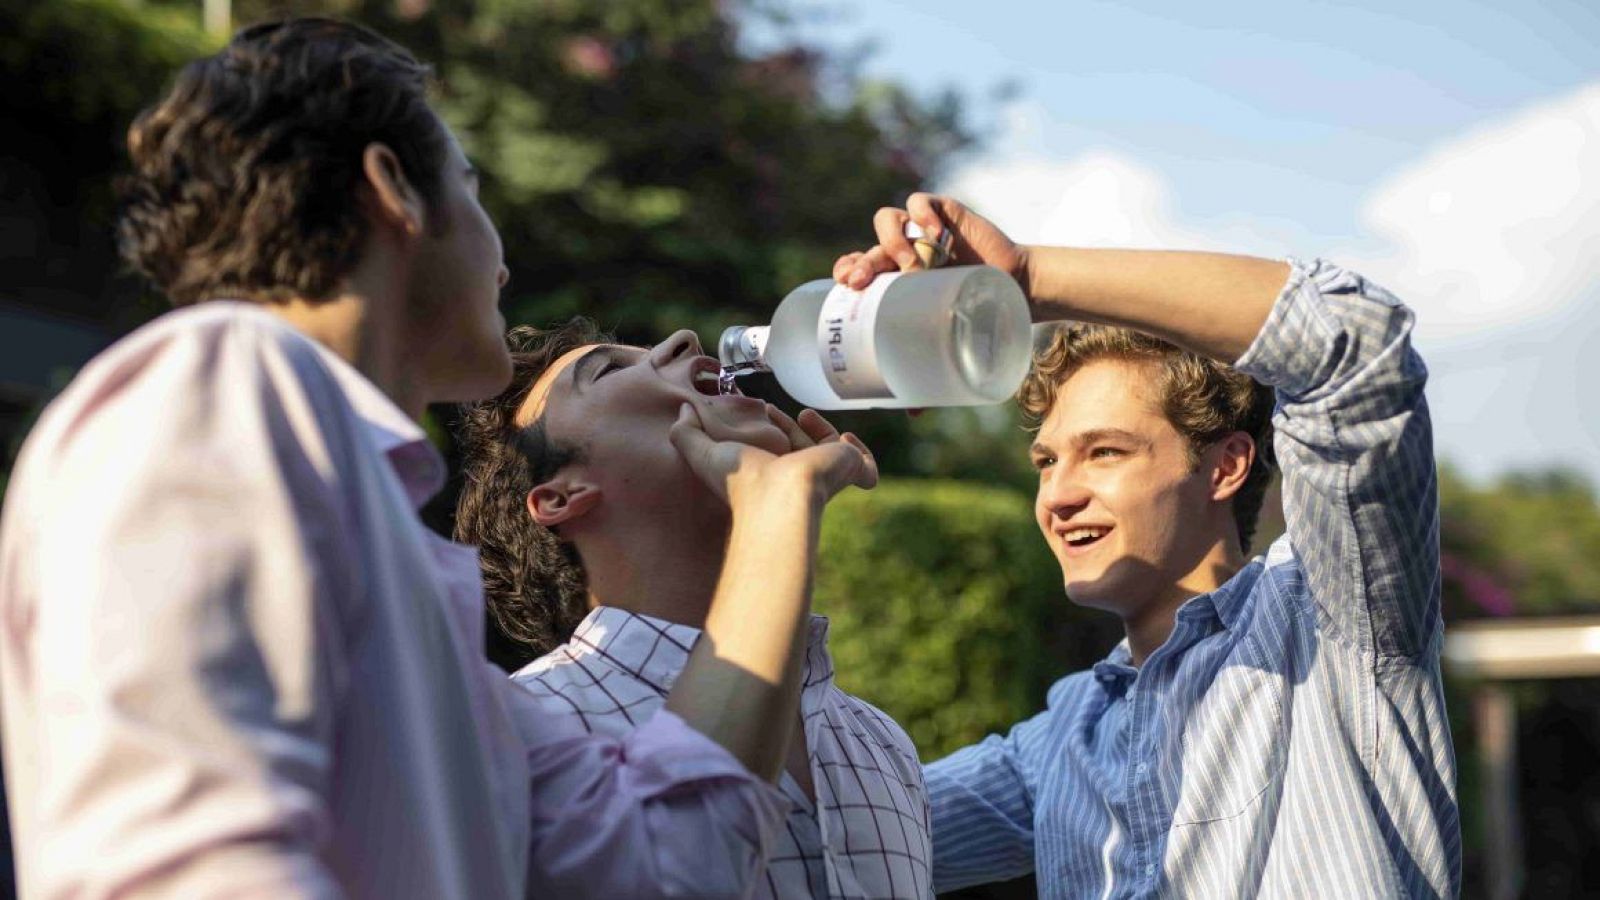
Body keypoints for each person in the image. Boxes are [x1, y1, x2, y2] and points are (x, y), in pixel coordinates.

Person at [0, 19, 873, 898]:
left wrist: (776, 518)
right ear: (393, 188)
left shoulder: (420, 602)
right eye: (471, 188)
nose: (502, 263)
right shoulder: (214, 391)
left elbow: (669, 859)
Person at [834, 194, 1459, 897]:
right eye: (1046, 461)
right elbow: (823, 841)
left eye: (1104, 451)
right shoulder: (1063, 740)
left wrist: (1027, 278)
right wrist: (770, 505)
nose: (1058, 495)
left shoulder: (1331, 622)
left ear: (1225, 466)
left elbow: (1356, 341)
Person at [453, 320, 932, 899]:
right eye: (608, 371)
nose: (684, 339)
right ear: (560, 497)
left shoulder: (880, 740)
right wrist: (781, 501)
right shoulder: (523, 729)